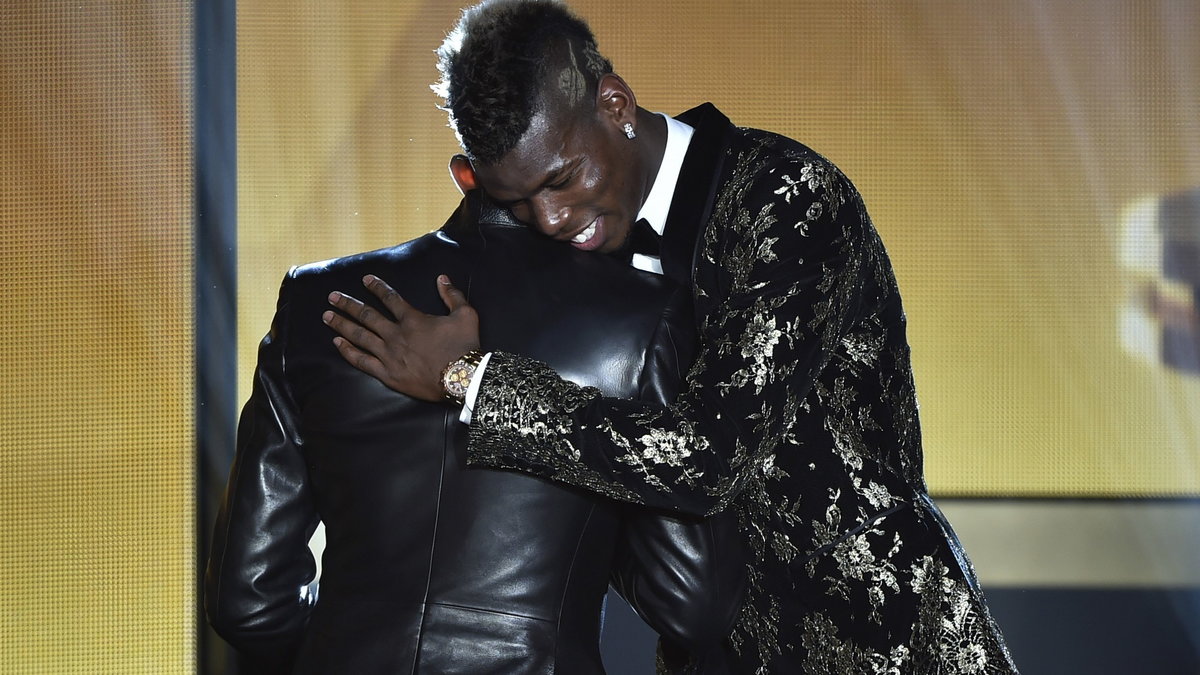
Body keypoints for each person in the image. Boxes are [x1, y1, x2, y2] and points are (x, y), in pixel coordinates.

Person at [324, 0, 1019, 672]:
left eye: (563, 179)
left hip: (881, 642)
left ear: (617, 106)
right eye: (517, 199)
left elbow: (707, 457)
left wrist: (468, 379)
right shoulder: (557, 247)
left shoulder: (789, 201)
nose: (552, 217)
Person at [205, 176, 746, 674]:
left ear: (465, 171)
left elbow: (248, 602)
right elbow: (692, 603)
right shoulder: (645, 318)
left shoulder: (318, 301)